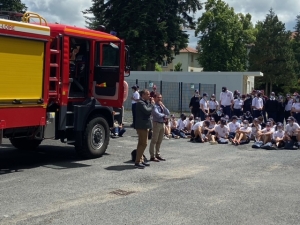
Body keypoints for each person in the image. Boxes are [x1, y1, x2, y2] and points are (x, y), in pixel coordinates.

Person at [134, 89, 155, 169]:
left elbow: (148, 109)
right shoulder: (140, 103)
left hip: (144, 126)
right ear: (143, 95)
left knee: (141, 143)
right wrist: (152, 105)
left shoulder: (145, 102)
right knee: (144, 143)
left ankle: (140, 160)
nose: (149, 96)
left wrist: (150, 104)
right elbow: (147, 111)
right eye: (147, 94)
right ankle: (138, 161)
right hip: (142, 126)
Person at [149, 93, 170, 162]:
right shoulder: (154, 106)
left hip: (162, 124)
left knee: (159, 140)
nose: (159, 99)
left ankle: (157, 154)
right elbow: (157, 114)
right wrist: (164, 115)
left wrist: (163, 106)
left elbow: (168, 112)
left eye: (160, 97)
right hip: (156, 124)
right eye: (158, 97)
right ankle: (152, 156)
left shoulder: (161, 106)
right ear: (155, 98)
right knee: (154, 140)